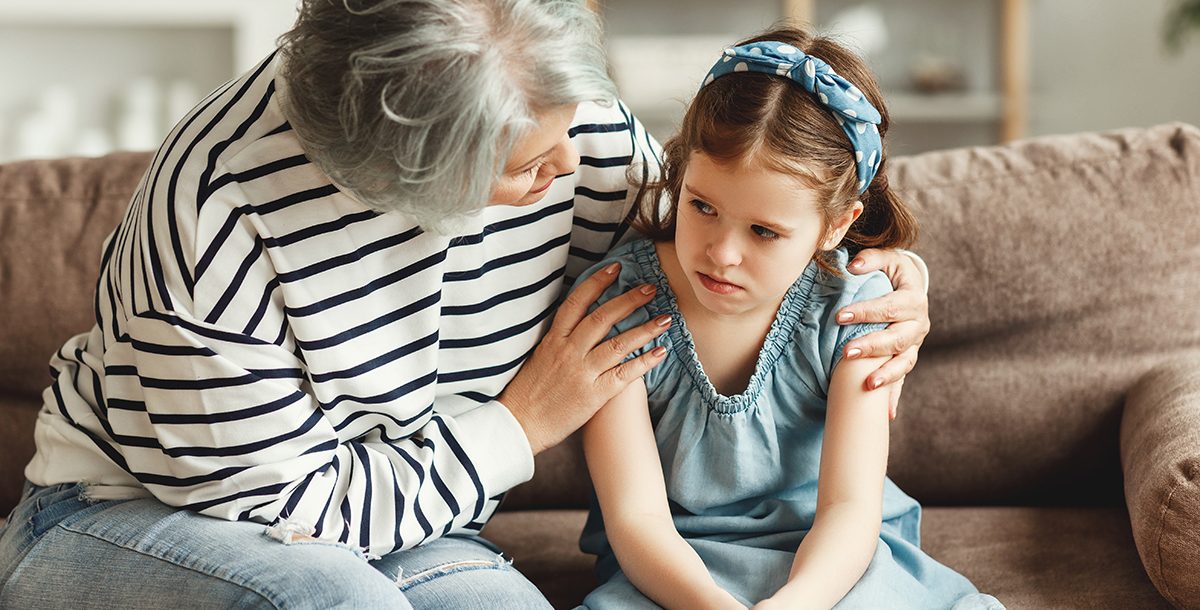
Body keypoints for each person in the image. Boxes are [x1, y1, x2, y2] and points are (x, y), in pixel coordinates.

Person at [0, 2, 930, 608]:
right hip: (142, 514)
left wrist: (893, 277)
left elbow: (739, 228)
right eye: (530, 167)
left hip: (414, 524)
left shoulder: (559, 118)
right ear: (405, 186)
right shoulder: (215, 221)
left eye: (575, 134)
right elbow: (283, 520)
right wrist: (519, 424)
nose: (573, 169)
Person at [576, 27, 1001, 610]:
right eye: (701, 206)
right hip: (669, 568)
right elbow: (636, 520)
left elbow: (849, 510)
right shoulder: (619, 303)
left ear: (835, 225)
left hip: (833, 561)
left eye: (764, 231)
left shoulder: (856, 308)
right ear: (681, 173)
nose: (722, 252)